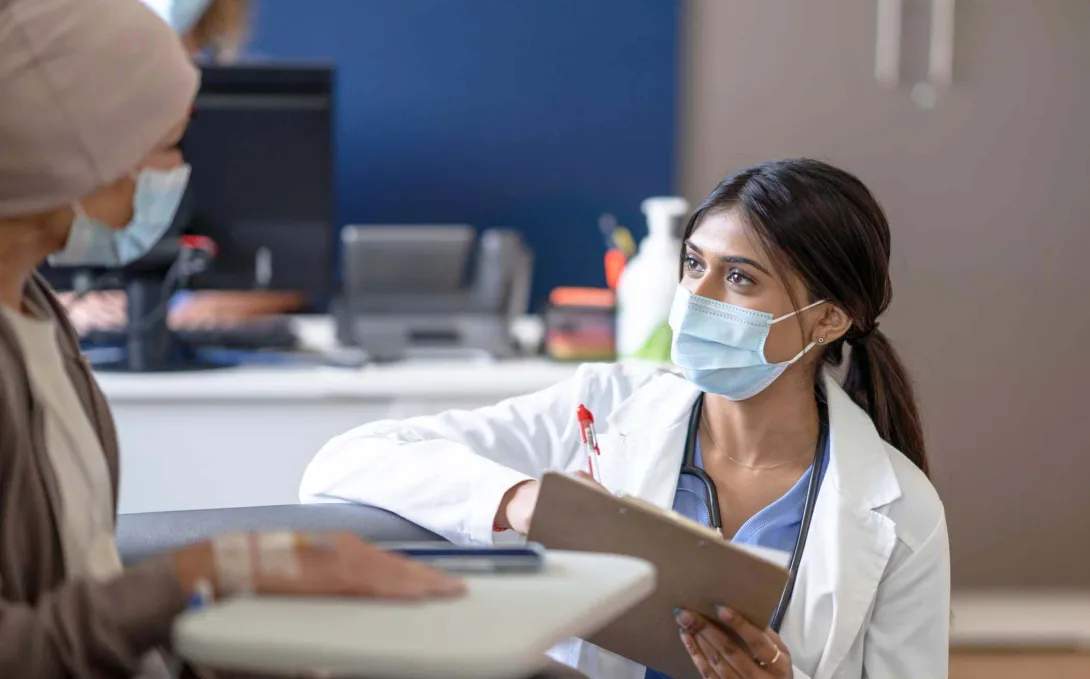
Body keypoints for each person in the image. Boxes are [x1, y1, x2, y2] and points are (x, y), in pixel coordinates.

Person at [300, 158, 951, 679]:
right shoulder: (606, 406)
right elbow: (344, 461)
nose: (696, 297)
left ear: (828, 319)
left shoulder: (903, 516)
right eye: (695, 264)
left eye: (741, 279)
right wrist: (521, 499)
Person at [0, 1, 463, 677]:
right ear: (77, 155)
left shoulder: (36, 314)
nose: (178, 172)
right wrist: (210, 570)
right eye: (166, 147)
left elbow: (86, 584)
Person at [54, 0, 306, 337]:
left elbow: (295, 265)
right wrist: (56, 303)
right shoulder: (44, 104)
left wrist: (219, 307)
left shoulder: (259, 112)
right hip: (80, 336)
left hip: (211, 339)